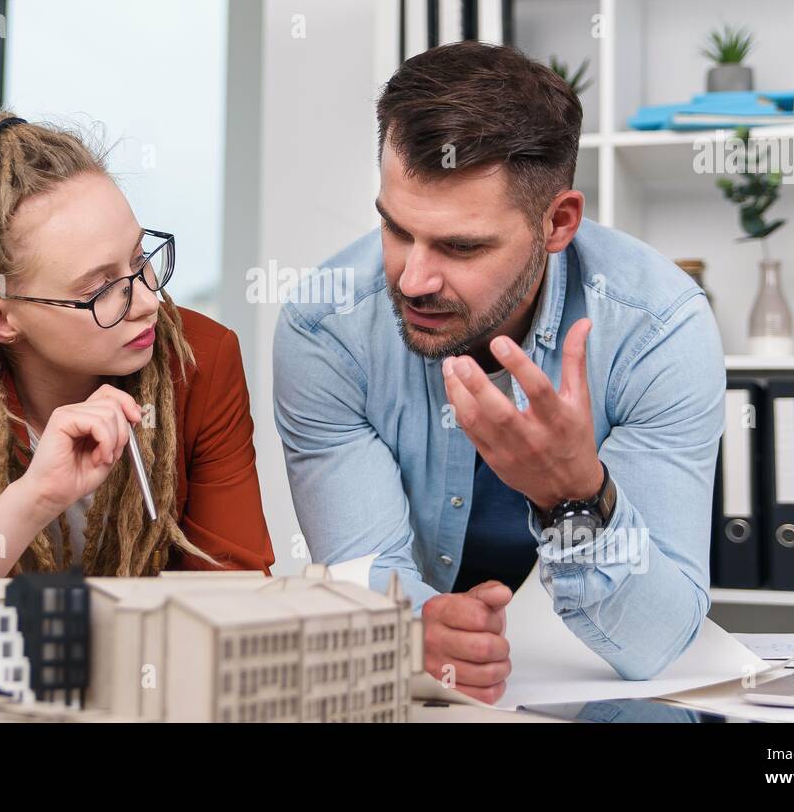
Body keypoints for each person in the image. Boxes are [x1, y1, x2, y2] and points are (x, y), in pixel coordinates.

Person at [273, 41, 725, 703]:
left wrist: (575, 495)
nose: (413, 278)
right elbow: (363, 582)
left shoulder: (659, 327)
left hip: (594, 686)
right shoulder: (325, 329)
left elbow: (656, 638)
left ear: (557, 222)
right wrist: (408, 629)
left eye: (461, 246)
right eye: (396, 229)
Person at [0, 113, 274, 579]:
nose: (146, 300)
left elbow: (234, 584)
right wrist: (37, 495)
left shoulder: (201, 360)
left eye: (140, 259)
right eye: (98, 289)